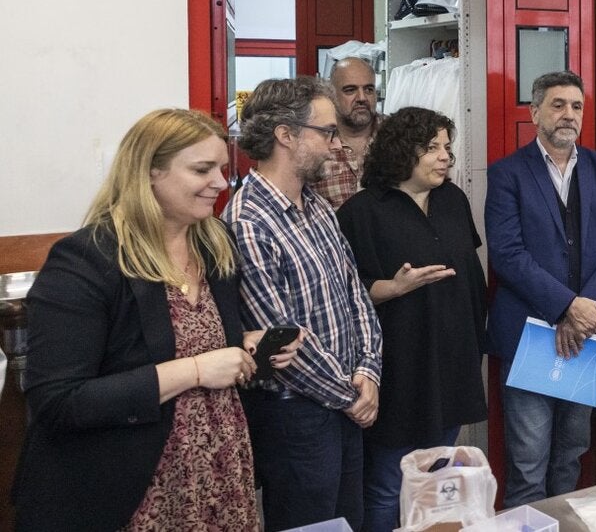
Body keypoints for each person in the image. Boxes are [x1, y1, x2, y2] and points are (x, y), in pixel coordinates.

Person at [13, 108, 299, 531]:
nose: (221, 183)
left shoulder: (214, 245)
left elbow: (192, 338)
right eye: (202, 169)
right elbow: (59, 401)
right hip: (130, 487)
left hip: (218, 472)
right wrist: (195, 370)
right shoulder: (87, 259)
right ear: (150, 172)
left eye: (222, 169)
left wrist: (243, 346)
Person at [225, 76, 384, 531]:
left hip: (346, 400)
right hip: (296, 414)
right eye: (327, 132)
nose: (336, 145)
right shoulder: (247, 221)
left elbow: (355, 295)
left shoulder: (316, 206)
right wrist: (351, 396)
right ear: (286, 135)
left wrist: (368, 371)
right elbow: (281, 338)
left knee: (348, 521)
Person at [484, 71, 596, 505]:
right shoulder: (508, 174)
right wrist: (568, 306)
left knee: (571, 455)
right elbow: (507, 254)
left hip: (587, 338)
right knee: (528, 464)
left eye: (576, 106)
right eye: (558, 104)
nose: (569, 114)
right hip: (530, 336)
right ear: (534, 113)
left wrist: (584, 310)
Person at [336, 107, 489, 532]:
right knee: (388, 483)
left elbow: (470, 273)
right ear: (403, 151)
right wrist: (393, 287)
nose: (445, 157)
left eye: (447, 147)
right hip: (397, 369)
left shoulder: (453, 199)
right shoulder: (361, 212)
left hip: (452, 362)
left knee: (436, 477)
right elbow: (343, 295)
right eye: (432, 147)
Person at [315, 58, 381, 208]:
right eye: (350, 90)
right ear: (331, 94)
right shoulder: (315, 141)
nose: (362, 98)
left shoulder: (398, 136)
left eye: (369, 89)